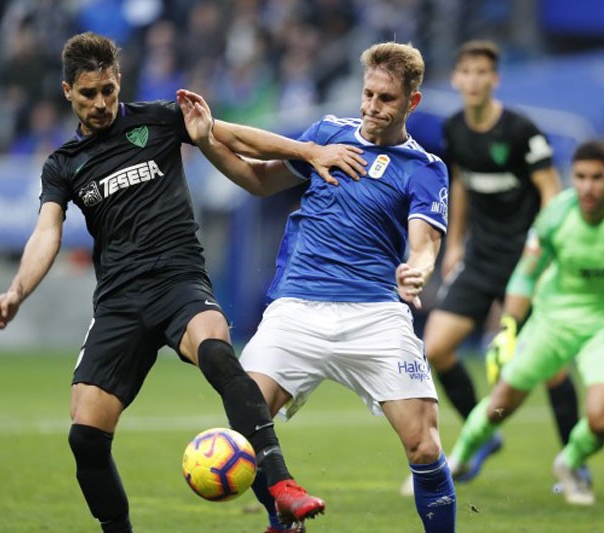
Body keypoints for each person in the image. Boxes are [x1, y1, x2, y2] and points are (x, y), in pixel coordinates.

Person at [0, 32, 367, 533]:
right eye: (88, 94)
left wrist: (309, 151)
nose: (101, 103)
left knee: (216, 352)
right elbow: (46, 233)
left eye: (108, 89)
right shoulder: (63, 166)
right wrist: (16, 291)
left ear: (118, 81)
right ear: (67, 92)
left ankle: (282, 489)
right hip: (119, 303)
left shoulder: (161, 119)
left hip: (178, 279)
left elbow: (236, 137)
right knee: (85, 437)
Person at [177, 41, 457, 532]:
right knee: (247, 423)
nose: (371, 107)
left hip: (374, 314)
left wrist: (419, 267)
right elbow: (257, 180)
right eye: (368, 94)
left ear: (411, 103)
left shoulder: (425, 169)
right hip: (297, 310)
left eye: (386, 99)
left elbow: (425, 241)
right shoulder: (327, 134)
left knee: (425, 445)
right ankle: (282, 519)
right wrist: (206, 139)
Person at [447, 139, 604, 505]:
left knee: (601, 421)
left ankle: (569, 463)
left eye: (596, 177)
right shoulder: (555, 216)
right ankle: (456, 460)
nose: (587, 186)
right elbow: (525, 275)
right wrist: (508, 328)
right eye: (580, 177)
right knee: (501, 403)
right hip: (554, 321)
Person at [418, 39, 582, 489]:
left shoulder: (521, 130)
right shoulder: (454, 129)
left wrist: (544, 248)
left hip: (525, 262)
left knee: (550, 368)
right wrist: (454, 243)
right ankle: (481, 434)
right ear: (455, 79)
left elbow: (551, 190)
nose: (473, 80)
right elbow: (463, 184)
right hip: (481, 257)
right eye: (466, 72)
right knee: (436, 348)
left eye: (482, 72)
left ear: (495, 80)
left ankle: (573, 463)